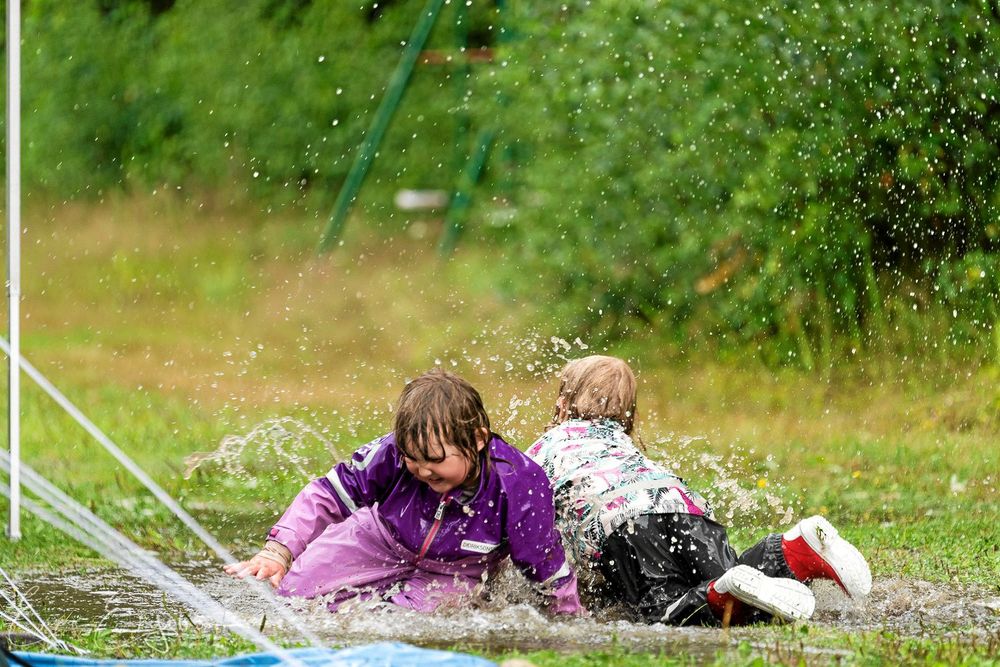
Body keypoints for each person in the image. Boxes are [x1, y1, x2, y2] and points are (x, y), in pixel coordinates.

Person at [525, 355, 872, 626]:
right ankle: (791, 550)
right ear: (628, 413)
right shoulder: (623, 443)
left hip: (624, 521)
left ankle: (716, 597)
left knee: (663, 609)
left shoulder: (545, 448)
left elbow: (528, 515)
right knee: (733, 574)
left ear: (562, 402)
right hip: (680, 504)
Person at [226, 369, 582, 615]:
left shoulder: (517, 482)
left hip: (455, 570)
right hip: (380, 539)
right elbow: (327, 495)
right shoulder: (392, 453)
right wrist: (279, 551)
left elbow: (543, 560)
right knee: (293, 596)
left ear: (477, 440)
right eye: (413, 459)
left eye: (435, 461)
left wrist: (568, 617)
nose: (423, 471)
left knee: (405, 625)